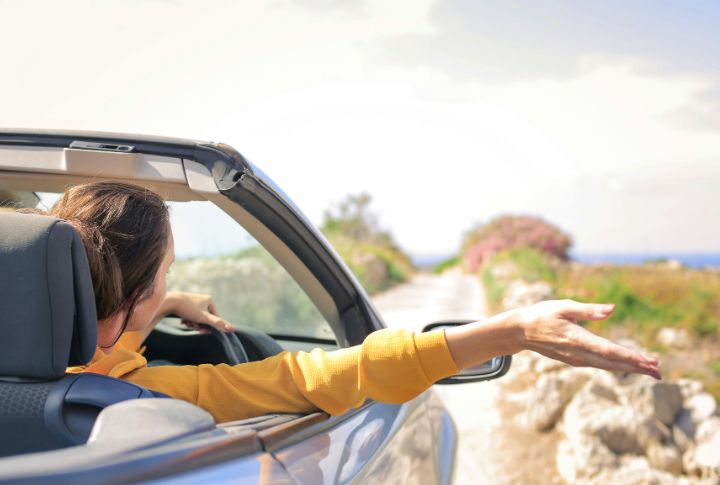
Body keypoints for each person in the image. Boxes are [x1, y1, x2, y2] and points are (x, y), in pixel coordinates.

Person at [33, 181, 660, 423]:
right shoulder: (141, 398)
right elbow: (320, 374)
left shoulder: (39, 356)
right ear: (133, 295)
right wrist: (511, 332)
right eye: (166, 273)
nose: (169, 286)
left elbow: (104, 334)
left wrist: (169, 302)